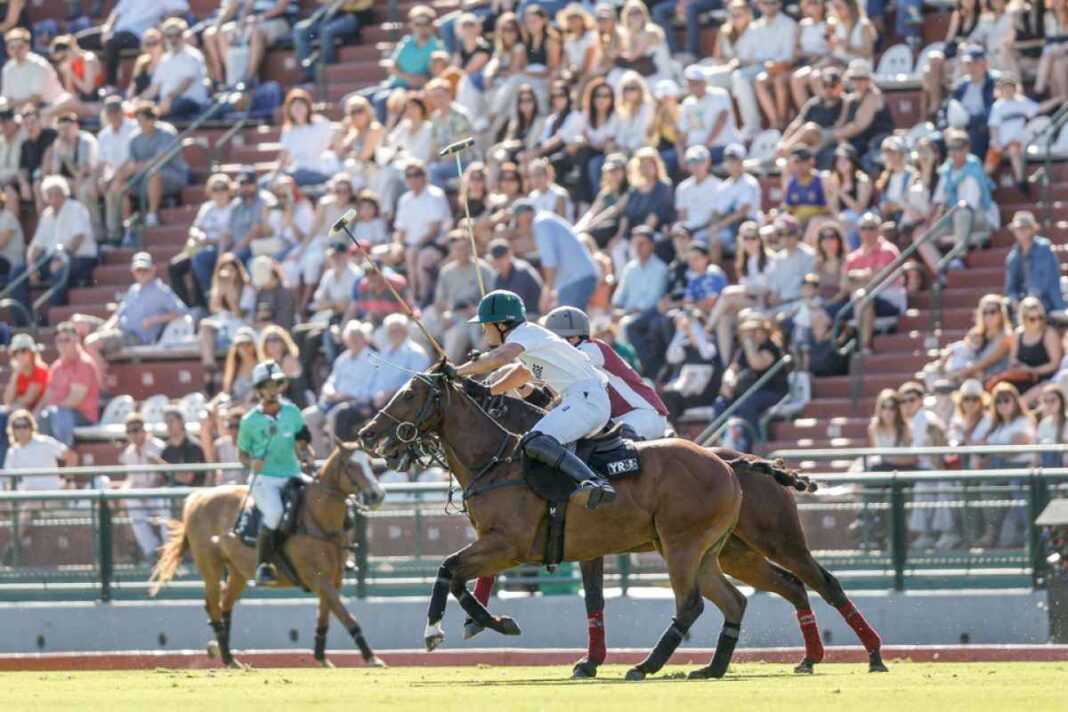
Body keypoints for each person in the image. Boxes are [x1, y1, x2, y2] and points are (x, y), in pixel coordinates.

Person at [454, 289, 616, 509]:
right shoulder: (529, 340)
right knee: (539, 447)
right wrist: (488, 391)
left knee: (535, 440)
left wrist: (456, 372)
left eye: (486, 324)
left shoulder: (523, 334)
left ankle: (595, 483)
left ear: (502, 324)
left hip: (585, 399)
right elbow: (522, 373)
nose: (483, 331)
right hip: (583, 399)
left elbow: (498, 358)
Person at [236, 359, 314, 586]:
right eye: (266, 386)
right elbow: (241, 454)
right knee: (275, 513)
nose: (272, 390)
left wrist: (307, 454)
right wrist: (252, 462)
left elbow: (303, 442)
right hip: (264, 480)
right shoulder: (249, 421)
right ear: (259, 390)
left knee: (319, 499)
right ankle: (263, 566)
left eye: (275, 384)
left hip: (292, 474)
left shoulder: (292, 411)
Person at [544, 306, 669, 440]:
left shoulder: (590, 349)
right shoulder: (582, 351)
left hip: (643, 414)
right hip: (618, 420)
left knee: (613, 443)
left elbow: (559, 373)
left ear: (574, 338)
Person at [10, 175, 97, 311]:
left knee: (60, 272)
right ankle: (24, 318)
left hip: (79, 258)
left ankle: (52, 318)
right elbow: (36, 245)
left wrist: (64, 259)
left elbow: (78, 237)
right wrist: (31, 266)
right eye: (50, 194)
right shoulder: (47, 215)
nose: (54, 197)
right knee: (18, 273)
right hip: (53, 259)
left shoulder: (76, 208)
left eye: (58, 193)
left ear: (64, 193)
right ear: (46, 197)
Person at [83, 251, 188, 363]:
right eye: (139, 270)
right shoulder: (133, 289)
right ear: (133, 271)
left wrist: (154, 319)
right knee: (79, 323)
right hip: (118, 330)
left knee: (90, 343)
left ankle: (98, 379)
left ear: (153, 269)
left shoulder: (160, 290)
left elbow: (182, 311)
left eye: (145, 270)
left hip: (135, 337)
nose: (142, 274)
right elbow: (119, 314)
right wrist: (107, 327)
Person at [712, 312, 790, 451]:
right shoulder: (743, 350)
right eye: (748, 331)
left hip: (772, 391)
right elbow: (733, 368)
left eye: (755, 330)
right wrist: (727, 382)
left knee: (748, 404)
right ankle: (724, 444)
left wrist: (749, 344)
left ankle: (749, 446)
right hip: (748, 392)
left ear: (764, 330)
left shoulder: (770, 347)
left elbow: (757, 363)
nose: (751, 334)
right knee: (720, 403)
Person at [2, 410, 76, 553]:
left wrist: (67, 482)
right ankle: (12, 547)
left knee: (30, 505)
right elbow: (7, 479)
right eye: (17, 427)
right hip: (28, 499)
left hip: (54, 495)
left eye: (25, 426)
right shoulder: (14, 451)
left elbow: (71, 457)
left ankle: (12, 550)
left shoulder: (45, 442)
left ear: (32, 427)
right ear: (12, 430)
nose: (22, 430)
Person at [74, 0, 188, 88]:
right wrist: (107, 29)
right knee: (77, 40)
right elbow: (116, 12)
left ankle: (111, 85)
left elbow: (183, 7)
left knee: (112, 42)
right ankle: (91, 81)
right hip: (115, 31)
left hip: (136, 34)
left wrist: (164, 18)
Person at [511, 200, 598, 314]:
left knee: (570, 327)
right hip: (576, 279)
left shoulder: (540, 223)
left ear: (525, 216)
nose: (521, 226)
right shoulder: (546, 220)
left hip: (577, 279)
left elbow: (550, 261)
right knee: (571, 325)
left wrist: (547, 293)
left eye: (519, 221)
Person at [115, 102, 189, 228]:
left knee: (153, 172)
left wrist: (135, 168)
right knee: (119, 178)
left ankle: (152, 215)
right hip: (144, 176)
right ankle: (126, 222)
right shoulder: (135, 138)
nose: (142, 123)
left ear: (153, 119)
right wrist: (123, 173)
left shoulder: (166, 132)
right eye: (139, 120)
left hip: (173, 176)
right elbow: (132, 163)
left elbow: (158, 160)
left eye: (145, 120)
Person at [425, 231, 494, 361]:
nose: (462, 251)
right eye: (457, 248)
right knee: (417, 330)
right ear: (451, 250)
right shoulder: (446, 271)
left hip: (475, 315)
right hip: (451, 314)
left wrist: (478, 309)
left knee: (456, 334)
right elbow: (440, 301)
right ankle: (427, 364)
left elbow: (494, 296)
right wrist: (442, 316)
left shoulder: (483, 269)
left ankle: (445, 371)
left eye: (465, 247)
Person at [168, 173, 234, 310]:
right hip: (200, 246)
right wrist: (197, 238)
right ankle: (187, 306)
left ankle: (208, 300)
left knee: (198, 261)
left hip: (221, 248)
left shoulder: (233, 209)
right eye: (215, 189)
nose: (220, 193)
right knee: (175, 266)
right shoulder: (207, 208)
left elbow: (229, 237)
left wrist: (208, 240)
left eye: (223, 189)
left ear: (229, 190)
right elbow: (195, 228)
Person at [392, 158, 452, 306]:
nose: (413, 178)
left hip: (436, 244)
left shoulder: (434, 195)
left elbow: (434, 230)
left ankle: (421, 298)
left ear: (425, 176)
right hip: (411, 245)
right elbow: (400, 229)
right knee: (380, 256)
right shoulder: (404, 200)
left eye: (417, 174)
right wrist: (397, 245)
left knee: (419, 257)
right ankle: (399, 302)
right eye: (409, 175)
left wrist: (415, 246)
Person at [612, 226, 669, 378]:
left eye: (642, 243)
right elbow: (620, 294)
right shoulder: (630, 268)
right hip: (628, 313)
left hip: (648, 313)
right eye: (635, 244)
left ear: (652, 245)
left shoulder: (660, 268)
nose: (638, 247)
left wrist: (626, 312)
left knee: (626, 324)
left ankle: (633, 369)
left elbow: (653, 298)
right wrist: (617, 308)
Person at [36, 322, 101, 447]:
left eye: (67, 340)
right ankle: (46, 459)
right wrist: (35, 413)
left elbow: (74, 400)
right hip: (58, 413)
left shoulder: (84, 364)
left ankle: (64, 454)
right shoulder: (56, 366)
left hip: (83, 416)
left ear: (76, 340)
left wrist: (52, 407)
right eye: (59, 340)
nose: (62, 344)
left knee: (58, 413)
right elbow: (47, 396)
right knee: (42, 417)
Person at [119, 411, 170, 563]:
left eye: (136, 430)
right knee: (130, 502)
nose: (133, 435)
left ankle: (168, 550)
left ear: (144, 430)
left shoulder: (159, 447)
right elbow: (132, 480)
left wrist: (150, 492)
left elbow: (166, 476)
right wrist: (123, 492)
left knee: (165, 503)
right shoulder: (128, 453)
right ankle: (151, 551)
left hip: (158, 494)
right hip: (140, 496)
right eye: (129, 431)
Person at [143, 18, 209, 120]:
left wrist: (167, 100)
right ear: (165, 38)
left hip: (191, 102)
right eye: (169, 36)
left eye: (177, 35)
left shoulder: (192, 56)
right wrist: (138, 100)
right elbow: (153, 88)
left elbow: (185, 84)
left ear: (183, 35)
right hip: (168, 104)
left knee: (163, 111)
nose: (173, 40)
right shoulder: (164, 60)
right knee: (143, 110)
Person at [1004, 211, 1066, 319]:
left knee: (1032, 309)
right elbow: (1011, 287)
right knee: (1002, 309)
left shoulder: (1043, 248)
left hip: (1048, 300)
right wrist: (1014, 300)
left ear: (1032, 229)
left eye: (1025, 227)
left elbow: (1042, 280)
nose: (1021, 231)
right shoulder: (1013, 256)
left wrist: (1028, 301)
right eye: (1018, 228)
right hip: (1024, 302)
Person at [292, 0, 370, 84]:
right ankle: (310, 73)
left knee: (327, 31)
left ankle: (323, 72)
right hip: (331, 14)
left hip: (354, 16)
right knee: (300, 30)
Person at [0, 332, 48, 464]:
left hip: (36, 413)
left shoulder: (40, 370)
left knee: (3, 418)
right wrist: (15, 375)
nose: (20, 355)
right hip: (19, 411)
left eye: (24, 351)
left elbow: (29, 399)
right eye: (17, 352)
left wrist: (14, 405)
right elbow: (7, 399)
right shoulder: (18, 373)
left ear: (32, 353)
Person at [276, 88, 336, 188]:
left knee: (287, 182)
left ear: (308, 107)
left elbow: (333, 145)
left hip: (319, 171)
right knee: (264, 183)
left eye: (301, 105)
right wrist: (274, 176)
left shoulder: (321, 123)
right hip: (297, 172)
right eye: (294, 106)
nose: (298, 108)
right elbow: (283, 158)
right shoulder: (288, 131)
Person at [1, 28, 66, 112]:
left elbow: (35, 99)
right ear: (7, 49)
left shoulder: (38, 65)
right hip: (24, 114)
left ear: (28, 46)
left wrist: (10, 105)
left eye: (20, 47)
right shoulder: (7, 68)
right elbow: (6, 96)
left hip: (50, 108)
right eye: (12, 48)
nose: (16, 51)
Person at [488, 237, 543, 317]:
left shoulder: (521, 270)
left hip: (532, 315)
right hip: (515, 317)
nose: (499, 261)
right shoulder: (498, 276)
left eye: (502, 257)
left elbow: (515, 303)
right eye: (497, 258)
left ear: (510, 254)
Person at [160, 406, 206, 486]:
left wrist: (161, 465)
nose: (168, 425)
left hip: (192, 493)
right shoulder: (166, 450)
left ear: (181, 422)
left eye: (171, 421)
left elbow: (187, 478)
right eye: (166, 422)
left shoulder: (194, 447)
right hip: (170, 493)